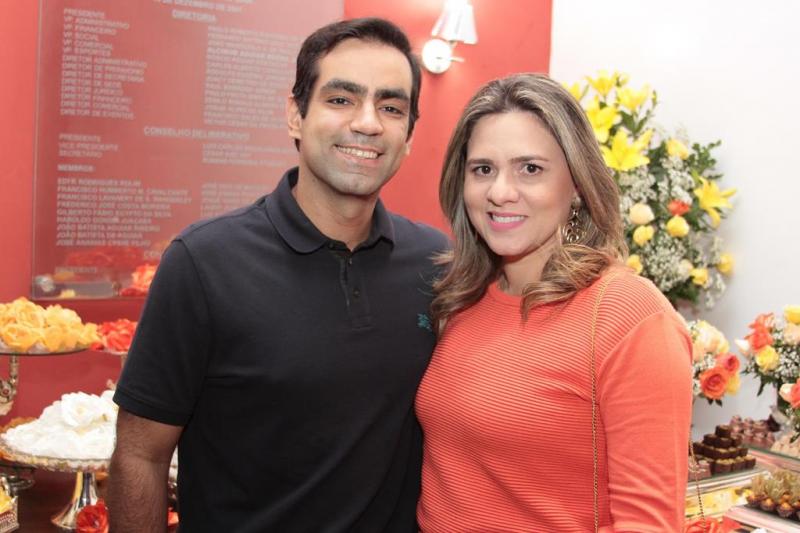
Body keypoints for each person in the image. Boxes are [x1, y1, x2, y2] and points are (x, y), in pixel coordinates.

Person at [108, 18, 448, 532]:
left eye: (391, 107)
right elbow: (140, 455)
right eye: (341, 99)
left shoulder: (437, 264)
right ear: (295, 115)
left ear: (409, 136)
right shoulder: (203, 262)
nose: (368, 123)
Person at [415, 73, 693, 532]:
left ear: (578, 185)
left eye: (530, 168)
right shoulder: (461, 298)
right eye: (483, 169)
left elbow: (648, 524)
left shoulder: (628, 315)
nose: (500, 192)